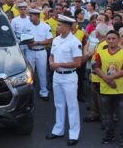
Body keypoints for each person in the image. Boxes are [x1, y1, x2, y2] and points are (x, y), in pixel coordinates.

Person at [46, 14, 82, 146]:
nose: (57, 26)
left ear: (67, 26)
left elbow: (78, 63)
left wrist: (58, 64)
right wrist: (51, 62)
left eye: (60, 25)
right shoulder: (56, 40)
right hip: (57, 76)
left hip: (69, 76)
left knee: (72, 105)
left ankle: (74, 134)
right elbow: (52, 55)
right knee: (59, 104)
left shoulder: (75, 42)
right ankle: (58, 130)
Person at [94, 30, 123, 148]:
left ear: (118, 40)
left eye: (113, 38)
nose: (111, 41)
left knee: (122, 116)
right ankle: (109, 135)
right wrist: (107, 79)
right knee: (107, 115)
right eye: (108, 38)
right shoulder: (101, 53)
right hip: (105, 89)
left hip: (120, 90)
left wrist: (110, 77)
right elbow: (96, 67)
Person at [27, 8, 53, 101]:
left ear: (37, 16)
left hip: (41, 51)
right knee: (29, 74)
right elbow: (24, 38)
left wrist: (37, 43)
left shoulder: (45, 26)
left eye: (32, 15)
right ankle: (28, 93)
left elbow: (49, 40)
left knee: (42, 72)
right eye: (29, 15)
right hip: (30, 51)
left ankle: (44, 92)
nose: (30, 17)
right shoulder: (27, 26)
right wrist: (28, 43)